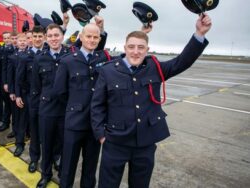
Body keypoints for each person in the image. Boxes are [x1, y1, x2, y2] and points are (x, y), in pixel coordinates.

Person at [91, 14, 212, 188]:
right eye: (131, 47)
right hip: (115, 142)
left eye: (141, 47)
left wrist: (199, 33)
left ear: (147, 49)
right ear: (125, 47)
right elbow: (97, 106)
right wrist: (101, 135)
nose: (136, 51)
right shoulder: (108, 71)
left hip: (145, 143)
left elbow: (182, 62)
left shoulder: (155, 67)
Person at [54, 21, 111, 187]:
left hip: (96, 125)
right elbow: (60, 92)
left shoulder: (104, 59)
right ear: (81, 37)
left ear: (100, 39)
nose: (92, 40)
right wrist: (75, 107)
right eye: (89, 36)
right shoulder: (67, 61)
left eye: (96, 37)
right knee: (68, 168)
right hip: (74, 123)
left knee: (90, 169)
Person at [31, 23, 71, 188]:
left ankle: (62, 173)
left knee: (64, 145)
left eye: (57, 35)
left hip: (65, 110)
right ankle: (45, 175)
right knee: (46, 144)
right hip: (46, 109)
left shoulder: (70, 56)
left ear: (62, 36)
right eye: (51, 36)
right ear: (46, 38)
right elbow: (36, 87)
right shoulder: (40, 58)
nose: (54, 38)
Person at [15, 25, 46, 174]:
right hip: (29, 97)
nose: (38, 39)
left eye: (41, 36)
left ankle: (51, 158)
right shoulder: (24, 57)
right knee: (32, 129)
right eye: (35, 36)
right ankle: (34, 158)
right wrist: (18, 95)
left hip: (46, 99)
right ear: (31, 38)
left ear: (44, 38)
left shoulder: (48, 54)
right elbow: (19, 78)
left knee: (46, 131)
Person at [7, 32, 28, 157]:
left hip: (32, 93)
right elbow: (11, 76)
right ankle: (19, 144)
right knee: (20, 120)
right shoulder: (12, 57)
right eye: (20, 41)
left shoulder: (33, 55)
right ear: (17, 43)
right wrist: (13, 92)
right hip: (20, 92)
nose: (22, 42)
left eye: (24, 40)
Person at [0, 31, 15, 132]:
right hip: (5, 82)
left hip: (13, 82)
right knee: (6, 104)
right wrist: (4, 83)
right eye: (5, 38)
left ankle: (14, 128)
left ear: (11, 39)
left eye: (9, 38)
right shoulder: (0, 51)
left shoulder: (15, 49)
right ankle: (5, 123)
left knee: (14, 106)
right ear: (3, 39)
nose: (7, 40)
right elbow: (1, 68)